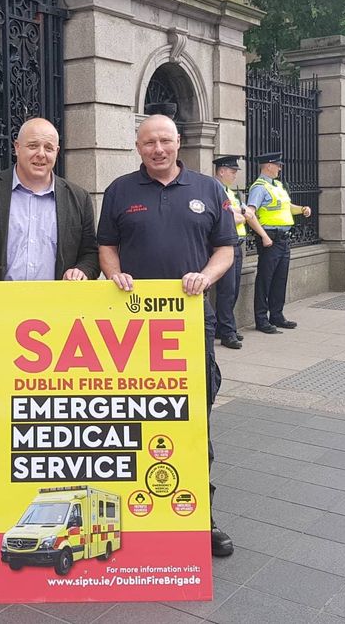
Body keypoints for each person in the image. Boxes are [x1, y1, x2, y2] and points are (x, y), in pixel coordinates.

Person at [0, 117, 100, 564]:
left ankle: (42, 516)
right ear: (16, 147)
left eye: (49, 147)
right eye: (33, 145)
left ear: (58, 152)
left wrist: (82, 271)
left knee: (47, 432)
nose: (41, 154)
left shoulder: (76, 197)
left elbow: (90, 252)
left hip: (55, 341)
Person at [97, 114, 237, 558]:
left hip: (189, 323)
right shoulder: (119, 190)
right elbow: (106, 246)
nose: (158, 149)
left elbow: (226, 249)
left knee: (192, 420)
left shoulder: (209, 190)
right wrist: (114, 275)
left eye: (165, 141)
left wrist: (206, 276)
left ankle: (201, 517)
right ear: (137, 147)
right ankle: (135, 514)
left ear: (178, 142)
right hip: (131, 327)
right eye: (149, 142)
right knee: (132, 418)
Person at [243, 152, 312, 334]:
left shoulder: (278, 186)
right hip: (270, 238)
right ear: (268, 166)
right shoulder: (259, 187)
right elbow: (249, 214)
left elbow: (286, 207)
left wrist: (302, 209)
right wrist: (263, 236)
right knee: (265, 280)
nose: (280, 169)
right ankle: (261, 319)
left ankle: (277, 315)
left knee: (280, 279)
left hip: (283, 238)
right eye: (278, 165)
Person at [213, 155, 247, 350]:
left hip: (236, 243)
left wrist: (238, 214)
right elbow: (227, 217)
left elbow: (240, 214)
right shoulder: (215, 189)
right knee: (227, 290)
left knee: (232, 290)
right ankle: (227, 332)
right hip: (225, 246)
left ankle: (225, 327)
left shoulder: (229, 191)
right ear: (222, 171)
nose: (235, 175)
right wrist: (239, 215)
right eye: (232, 172)